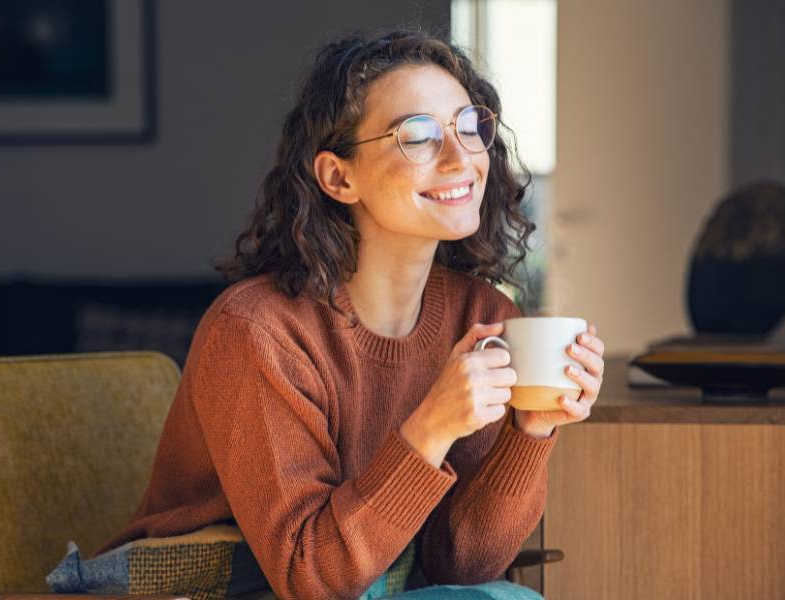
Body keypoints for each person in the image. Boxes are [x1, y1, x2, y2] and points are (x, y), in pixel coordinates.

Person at [98, 29, 605, 599]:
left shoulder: (482, 315)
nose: (460, 156)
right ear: (339, 177)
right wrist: (430, 427)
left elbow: (458, 566)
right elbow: (307, 578)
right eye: (418, 135)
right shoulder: (258, 332)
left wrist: (529, 431)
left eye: (470, 126)